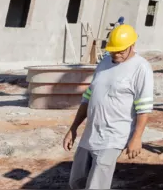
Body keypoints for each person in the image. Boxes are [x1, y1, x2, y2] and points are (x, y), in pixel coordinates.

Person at [63, 24, 154, 190]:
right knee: (76, 182)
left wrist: (137, 137)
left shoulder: (141, 68)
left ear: (132, 46)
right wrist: (73, 128)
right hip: (90, 135)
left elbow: (144, 108)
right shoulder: (105, 62)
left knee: (96, 186)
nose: (116, 54)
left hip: (113, 137)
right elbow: (89, 97)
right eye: (113, 50)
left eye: (121, 51)